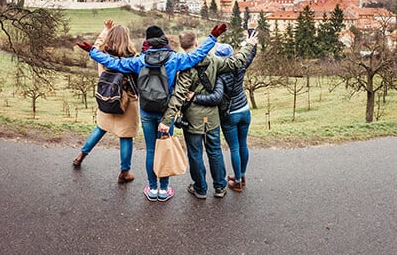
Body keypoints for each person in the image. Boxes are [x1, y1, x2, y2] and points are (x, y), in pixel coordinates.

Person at [76, 23, 227, 202]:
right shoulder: (174, 58)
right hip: (165, 113)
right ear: (163, 40)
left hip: (147, 110)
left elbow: (114, 62)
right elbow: (196, 55)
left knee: (151, 151)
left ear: (148, 42)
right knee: (164, 148)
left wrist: (92, 52)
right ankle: (164, 189)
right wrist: (212, 38)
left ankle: (152, 188)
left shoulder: (139, 60)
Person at [158, 31, 258, 199]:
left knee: (195, 154)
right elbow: (237, 61)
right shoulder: (213, 61)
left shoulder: (185, 68)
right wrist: (249, 44)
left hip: (192, 119)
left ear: (182, 48)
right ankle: (220, 187)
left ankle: (200, 188)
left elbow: (178, 96)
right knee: (215, 151)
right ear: (197, 44)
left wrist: (166, 121)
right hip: (212, 117)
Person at [72, 20, 140, 184]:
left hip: (107, 97)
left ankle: (81, 156)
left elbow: (94, 47)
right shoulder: (134, 58)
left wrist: (105, 30)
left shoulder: (103, 56)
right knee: (126, 137)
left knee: (101, 128)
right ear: (127, 38)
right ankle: (124, 172)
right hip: (128, 103)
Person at [216, 36, 257, 192]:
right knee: (243, 144)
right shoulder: (240, 66)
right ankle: (242, 176)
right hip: (245, 110)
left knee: (234, 148)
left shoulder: (218, 72)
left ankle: (237, 181)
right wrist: (251, 40)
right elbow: (251, 54)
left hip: (230, 113)